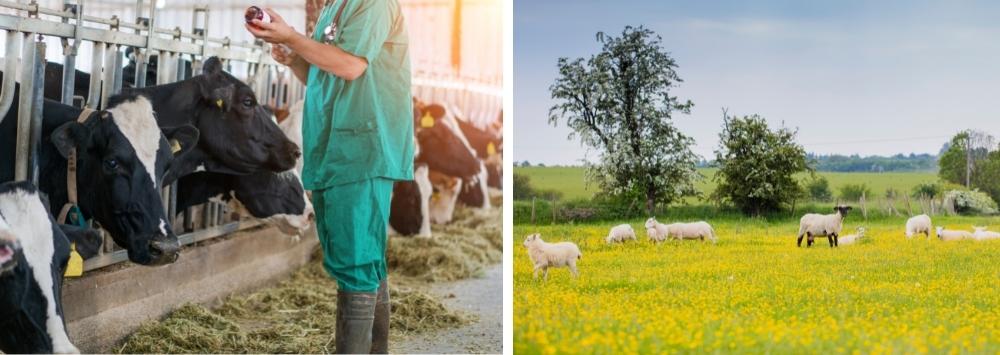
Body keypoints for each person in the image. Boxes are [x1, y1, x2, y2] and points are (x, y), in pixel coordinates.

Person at [245, 1, 413, 353]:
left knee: (356, 261)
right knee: (363, 257)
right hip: (335, 147)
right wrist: (296, 58)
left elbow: (351, 66)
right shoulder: (334, 6)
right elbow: (328, 75)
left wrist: (292, 35)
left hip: (361, 146)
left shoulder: (373, 4)